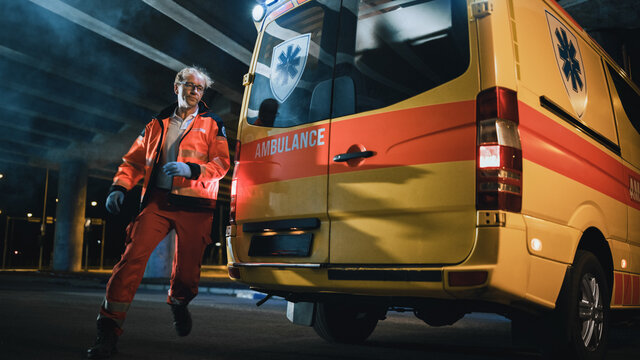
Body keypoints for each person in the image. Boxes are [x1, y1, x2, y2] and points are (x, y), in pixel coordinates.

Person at [86, 66, 230, 359]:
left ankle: (179, 302)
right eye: (189, 85)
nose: (194, 92)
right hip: (158, 202)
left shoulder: (213, 123)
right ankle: (107, 332)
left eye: (200, 88)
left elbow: (222, 164)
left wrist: (191, 169)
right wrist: (119, 187)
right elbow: (134, 161)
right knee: (130, 261)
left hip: (196, 205)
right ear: (176, 85)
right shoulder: (155, 124)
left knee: (187, 273)